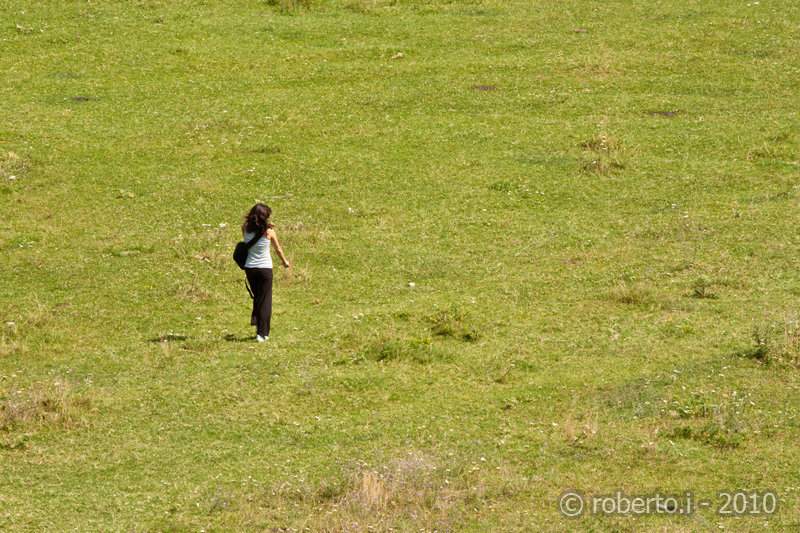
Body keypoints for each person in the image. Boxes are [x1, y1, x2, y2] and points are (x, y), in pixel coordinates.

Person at [241, 203, 290, 342]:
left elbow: (249, 236)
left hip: (250, 268)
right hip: (265, 269)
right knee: (265, 301)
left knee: (257, 298)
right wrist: (285, 262)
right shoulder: (269, 232)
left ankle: (257, 324)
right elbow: (278, 250)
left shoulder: (245, 228)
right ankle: (262, 333)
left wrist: (265, 225)